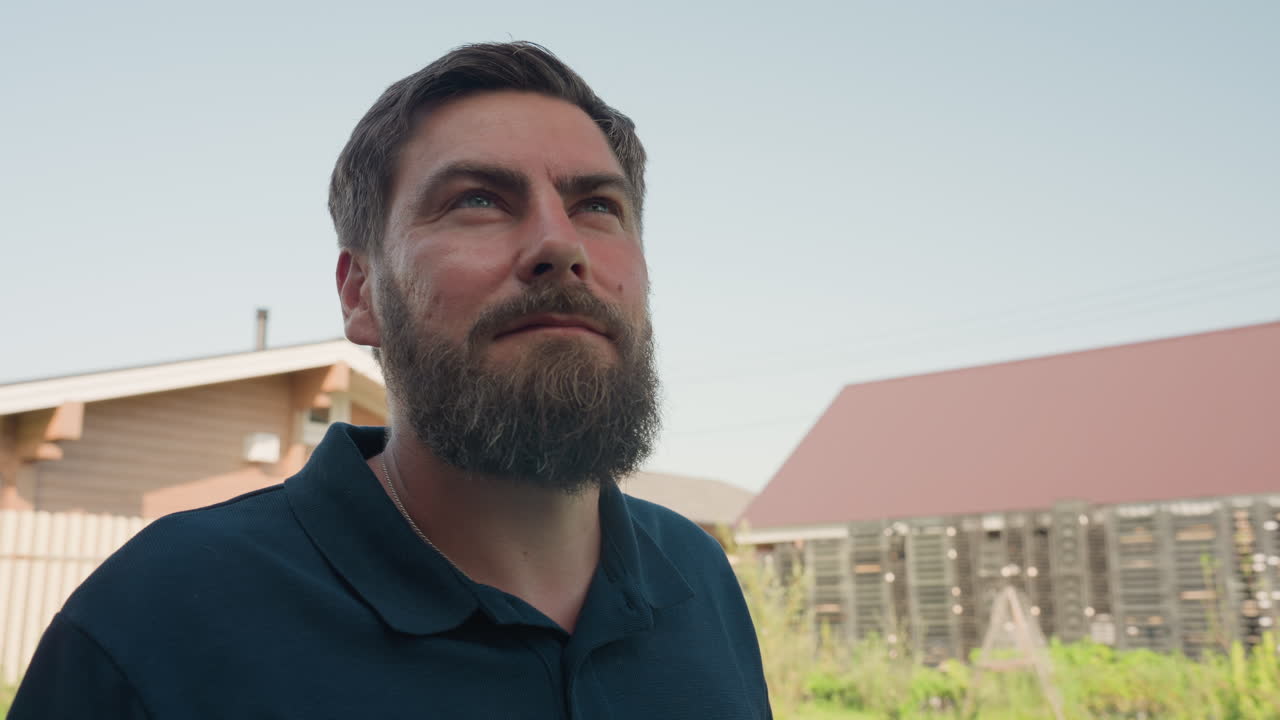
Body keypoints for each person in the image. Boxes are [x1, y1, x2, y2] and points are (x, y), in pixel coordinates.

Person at [10, 41, 772, 719]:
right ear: (360, 292)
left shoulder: (698, 578)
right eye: (477, 200)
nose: (558, 243)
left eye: (598, 205)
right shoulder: (151, 622)